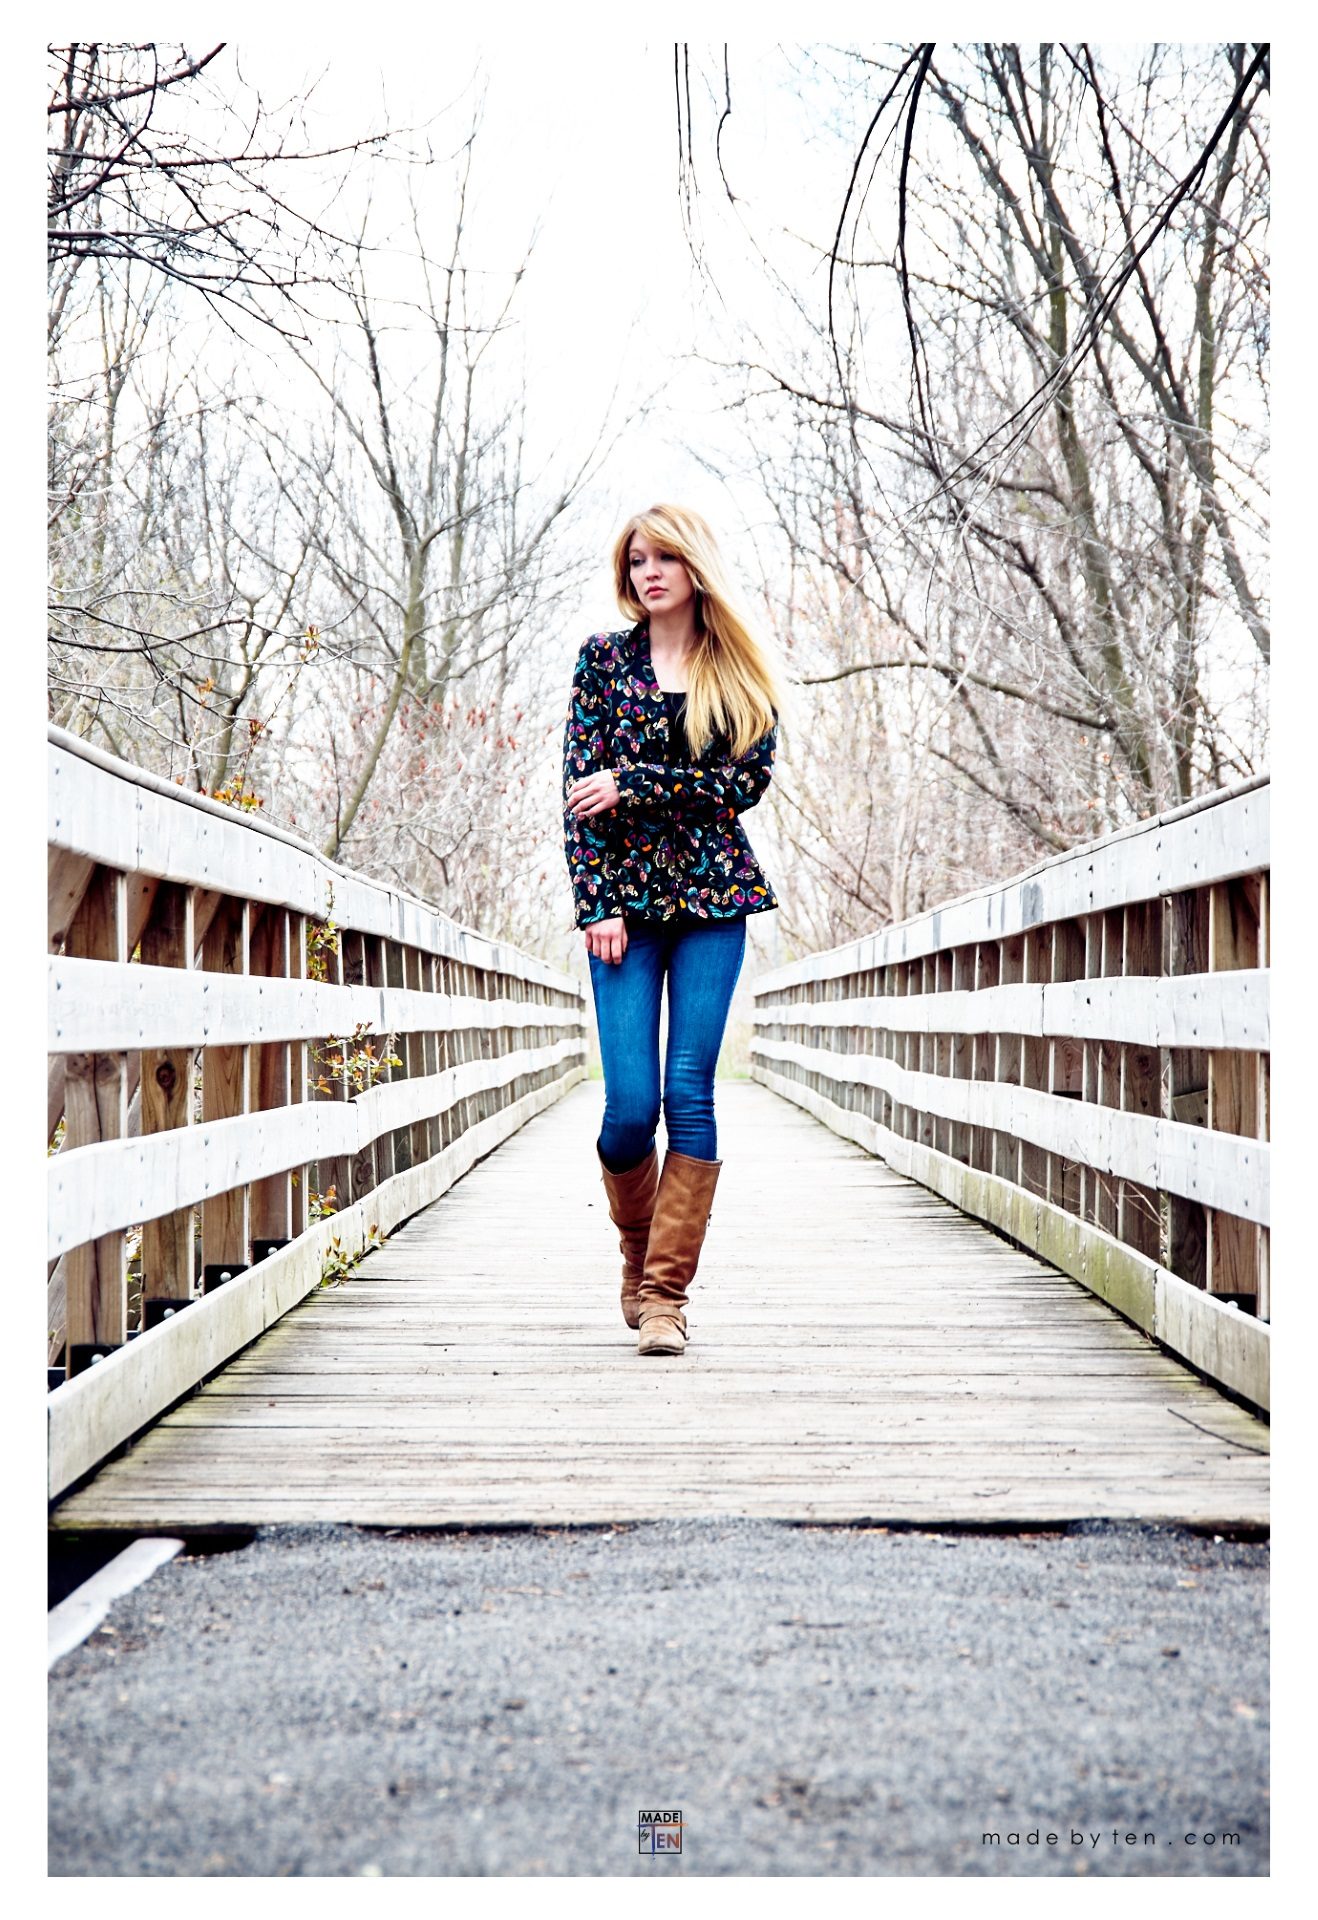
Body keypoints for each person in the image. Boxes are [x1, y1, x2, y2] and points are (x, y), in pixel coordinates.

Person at [562, 503, 790, 1356]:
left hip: (711, 903)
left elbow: (741, 785)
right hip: (623, 906)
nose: (647, 573)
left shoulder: (736, 670)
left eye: (662, 558)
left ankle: (664, 1298)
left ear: (695, 566)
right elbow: (579, 797)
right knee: (628, 1108)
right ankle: (637, 1251)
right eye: (635, 561)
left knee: (690, 1092)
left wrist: (635, 783)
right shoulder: (601, 663)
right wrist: (596, 901)